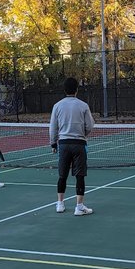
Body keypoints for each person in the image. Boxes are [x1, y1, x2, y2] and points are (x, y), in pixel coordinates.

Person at [49, 77, 95, 215]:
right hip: (79, 144)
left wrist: (53, 142)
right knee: (80, 176)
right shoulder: (83, 105)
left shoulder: (57, 106)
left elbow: (53, 127)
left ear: (64, 90)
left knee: (62, 175)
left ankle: (60, 204)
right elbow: (90, 125)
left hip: (63, 144)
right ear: (76, 89)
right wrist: (83, 135)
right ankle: (79, 207)